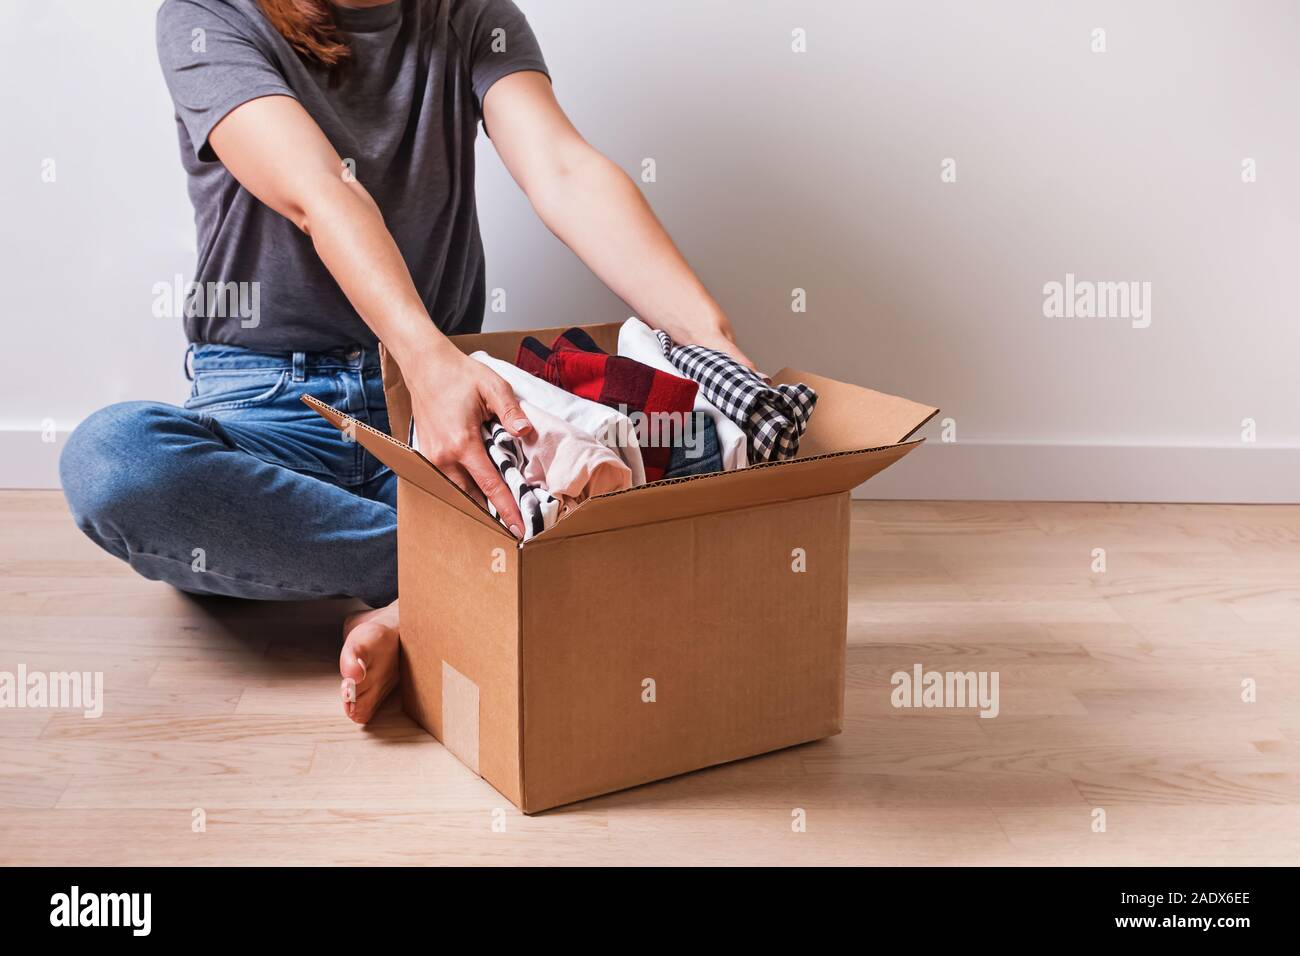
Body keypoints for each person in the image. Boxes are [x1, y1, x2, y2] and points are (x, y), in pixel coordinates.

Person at [59, 0, 753, 723]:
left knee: (668, 456)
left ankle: (424, 598)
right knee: (116, 462)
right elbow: (320, 193)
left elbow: (564, 171)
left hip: (439, 418)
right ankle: (452, 576)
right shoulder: (208, 17)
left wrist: (716, 346)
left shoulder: (469, 14)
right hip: (271, 407)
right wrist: (427, 360)